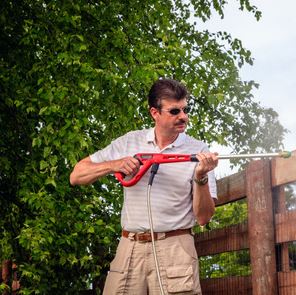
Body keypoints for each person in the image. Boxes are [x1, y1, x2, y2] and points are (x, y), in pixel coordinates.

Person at [70, 79, 218, 294]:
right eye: (174, 111)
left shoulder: (198, 150)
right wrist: (115, 164)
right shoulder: (129, 142)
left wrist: (201, 177)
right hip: (130, 246)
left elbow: (204, 217)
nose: (183, 117)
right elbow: (77, 175)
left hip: (175, 246)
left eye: (186, 109)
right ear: (154, 113)